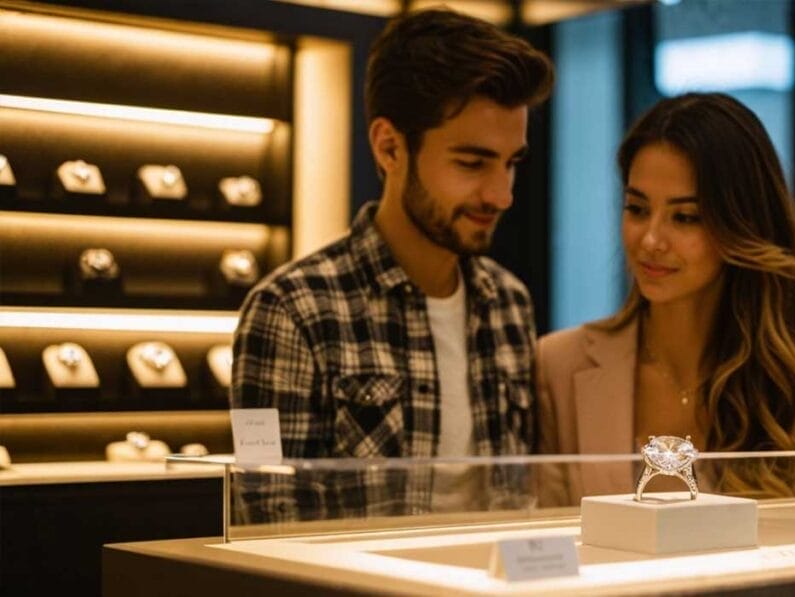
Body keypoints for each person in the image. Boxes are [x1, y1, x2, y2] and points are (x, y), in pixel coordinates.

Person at [231, 8, 554, 521]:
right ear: (389, 147)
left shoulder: (509, 304)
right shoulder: (291, 311)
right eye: (471, 163)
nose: (501, 194)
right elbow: (268, 524)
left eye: (511, 163)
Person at [536, 93, 795, 501]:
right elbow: (546, 535)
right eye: (636, 208)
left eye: (685, 217)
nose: (650, 240)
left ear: (743, 225)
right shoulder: (558, 365)